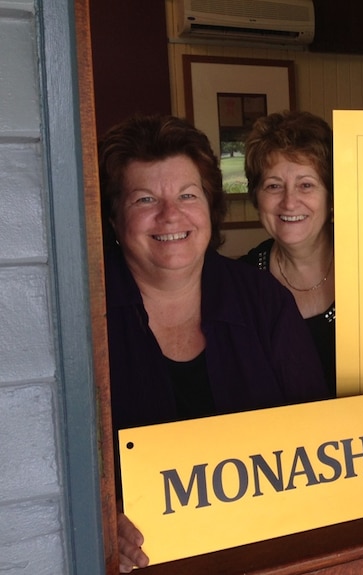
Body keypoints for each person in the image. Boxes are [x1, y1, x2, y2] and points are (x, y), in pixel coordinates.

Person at [98, 113, 331, 571]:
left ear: (209, 207)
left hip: (269, 552)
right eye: (146, 198)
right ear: (113, 215)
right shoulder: (86, 316)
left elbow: (319, 439)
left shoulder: (264, 301)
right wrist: (100, 515)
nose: (171, 215)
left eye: (188, 195)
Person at [240, 111, 336, 395]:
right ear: (256, 198)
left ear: (331, 198)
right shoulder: (240, 286)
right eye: (273, 186)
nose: (289, 202)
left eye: (306, 185)